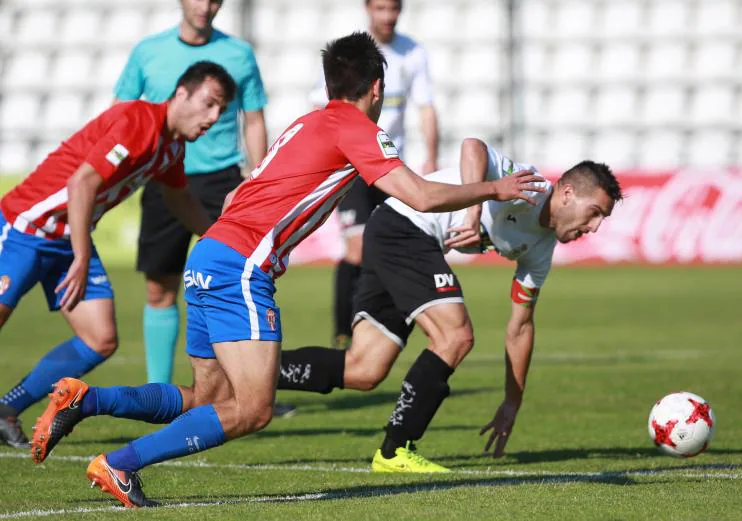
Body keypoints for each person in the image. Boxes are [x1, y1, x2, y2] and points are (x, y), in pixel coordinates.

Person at [30, 32, 540, 508]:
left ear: (329, 83)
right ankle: (120, 463)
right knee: (253, 408)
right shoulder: (356, 128)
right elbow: (423, 195)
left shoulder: (307, 122)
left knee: (207, 398)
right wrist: (495, 189)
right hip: (240, 265)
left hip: (209, 255)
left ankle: (85, 398)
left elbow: (240, 192)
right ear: (378, 87)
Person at [276, 138, 623, 472]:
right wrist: (472, 215)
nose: (594, 227)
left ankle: (253, 372)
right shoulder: (528, 186)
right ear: (567, 193)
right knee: (455, 336)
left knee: (363, 369)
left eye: (601, 220)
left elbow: (520, 327)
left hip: (393, 233)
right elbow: (473, 146)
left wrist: (512, 402)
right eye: (594, 213)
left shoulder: (541, 250)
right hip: (406, 227)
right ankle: (396, 449)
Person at [0, 61, 235, 449]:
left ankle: (7, 409)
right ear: (181, 94)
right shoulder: (139, 121)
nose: (213, 117)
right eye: (209, 104)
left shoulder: (171, 147)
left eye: (221, 111)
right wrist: (80, 255)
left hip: (67, 238)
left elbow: (179, 199)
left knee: (100, 338)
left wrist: (222, 241)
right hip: (26, 228)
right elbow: (82, 183)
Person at [115, 0, 270, 387]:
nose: (207, 6)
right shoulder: (148, 52)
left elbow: (253, 119)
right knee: (160, 287)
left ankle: (245, 388)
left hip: (223, 182)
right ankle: (159, 392)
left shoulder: (239, 53)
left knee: (237, 284)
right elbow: (122, 113)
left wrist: (258, 179)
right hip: (164, 175)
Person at [310, 0, 439, 349]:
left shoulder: (412, 52)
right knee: (356, 249)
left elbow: (426, 107)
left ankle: (376, 326)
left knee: (388, 245)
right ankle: (342, 332)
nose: (388, 16)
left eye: (393, 9)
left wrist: (430, 158)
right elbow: (322, 106)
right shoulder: (351, 54)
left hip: (388, 164)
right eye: (380, 8)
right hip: (351, 165)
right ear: (367, 9)